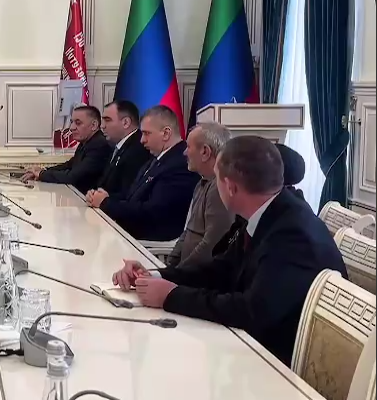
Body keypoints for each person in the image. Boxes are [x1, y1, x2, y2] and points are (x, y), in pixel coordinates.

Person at [112, 136, 347, 366]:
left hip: (277, 361)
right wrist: (155, 276)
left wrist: (171, 296)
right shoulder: (269, 209)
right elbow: (221, 270)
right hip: (254, 341)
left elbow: (252, 311)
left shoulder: (292, 235)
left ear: (231, 187)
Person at [88, 105, 199, 241]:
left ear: (166, 133)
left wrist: (106, 204)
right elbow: (133, 196)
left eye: (147, 133)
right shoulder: (156, 158)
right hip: (132, 232)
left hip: (150, 241)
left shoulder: (180, 164)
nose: (142, 140)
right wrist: (105, 197)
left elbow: (153, 211)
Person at [166, 123, 234, 269]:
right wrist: (169, 267)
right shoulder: (201, 183)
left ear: (205, 152)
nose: (184, 153)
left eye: (188, 147)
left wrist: (178, 273)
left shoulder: (219, 188)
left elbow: (212, 244)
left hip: (199, 277)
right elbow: (187, 233)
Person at [20, 106, 112, 193]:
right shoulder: (87, 141)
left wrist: (41, 174)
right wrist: (43, 171)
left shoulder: (99, 145)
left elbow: (73, 177)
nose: (71, 127)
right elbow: (70, 165)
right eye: (72, 122)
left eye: (78, 123)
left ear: (94, 125)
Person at [94, 100, 151, 197]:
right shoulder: (118, 145)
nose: (102, 126)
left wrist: (104, 199)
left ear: (126, 123)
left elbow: (128, 193)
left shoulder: (137, 150)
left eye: (107, 120)